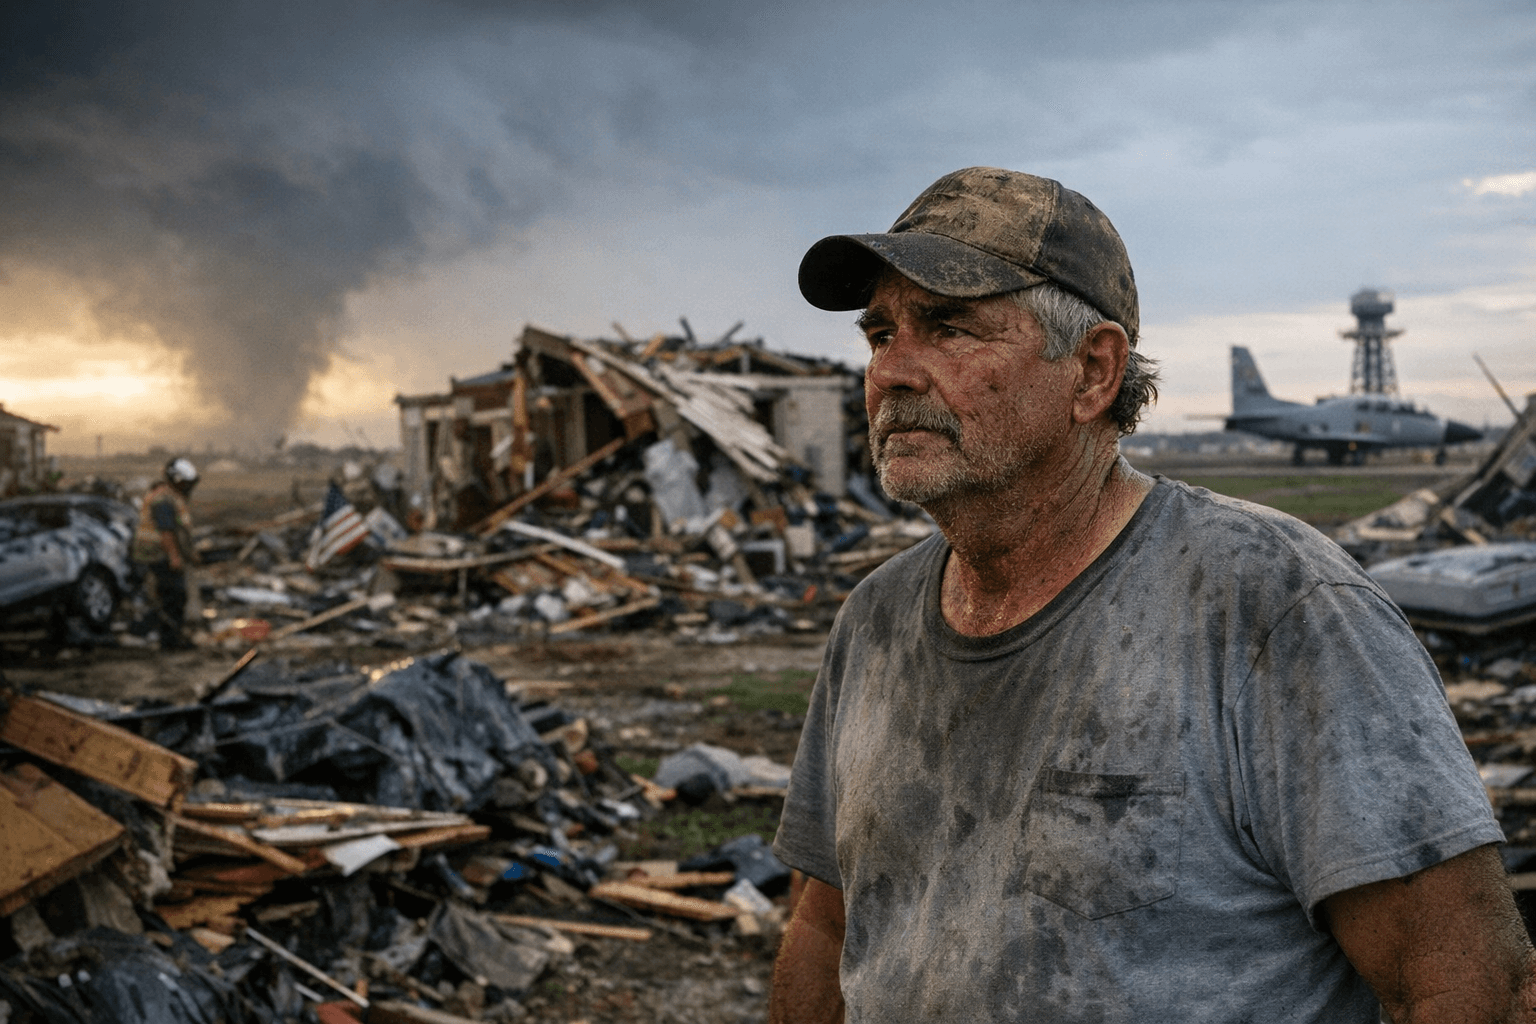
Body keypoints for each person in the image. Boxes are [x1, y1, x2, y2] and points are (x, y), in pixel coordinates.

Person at [769, 167, 1534, 1023]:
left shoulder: (1275, 607)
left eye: (949, 328)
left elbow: (1469, 987)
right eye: (879, 336)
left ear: (1094, 372)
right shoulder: (873, 621)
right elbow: (825, 930)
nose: (892, 373)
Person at [133, 456, 199, 650]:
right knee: (173, 596)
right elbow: (166, 531)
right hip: (158, 555)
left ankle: (171, 637)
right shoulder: (163, 499)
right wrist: (175, 557)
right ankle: (171, 641)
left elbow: (179, 529)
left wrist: (189, 552)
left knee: (169, 596)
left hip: (157, 554)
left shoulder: (167, 495)